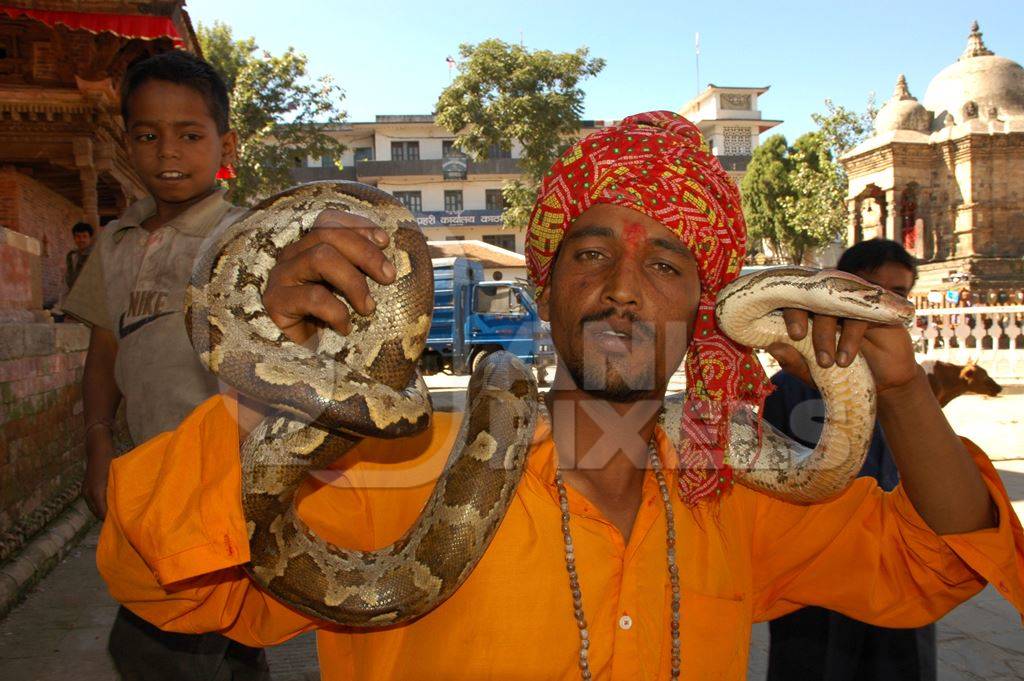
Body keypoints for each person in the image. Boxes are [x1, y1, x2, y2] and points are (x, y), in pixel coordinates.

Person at [96, 112, 1024, 680]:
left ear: (704, 310)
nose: (624, 285)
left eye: (666, 263)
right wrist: (278, 386)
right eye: (590, 253)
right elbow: (157, 580)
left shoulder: (729, 491)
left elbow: (932, 566)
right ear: (547, 290)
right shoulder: (391, 461)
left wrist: (901, 390)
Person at [63, 51, 270, 680]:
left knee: (161, 646)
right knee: (219, 643)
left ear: (224, 143)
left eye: (189, 134)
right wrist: (98, 444)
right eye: (148, 136)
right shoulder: (115, 242)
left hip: (226, 475)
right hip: (148, 475)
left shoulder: (250, 236)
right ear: (127, 144)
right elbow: (104, 354)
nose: (167, 151)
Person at [762, 239, 938, 681]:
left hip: (896, 580)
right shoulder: (787, 387)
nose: (884, 309)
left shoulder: (912, 389)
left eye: (899, 295)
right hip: (813, 587)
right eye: (873, 292)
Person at [65, 221, 95, 290]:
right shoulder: (72, 256)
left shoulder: (95, 255)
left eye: (84, 236)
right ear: (74, 238)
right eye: (78, 236)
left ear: (90, 238)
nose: (81, 240)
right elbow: (67, 279)